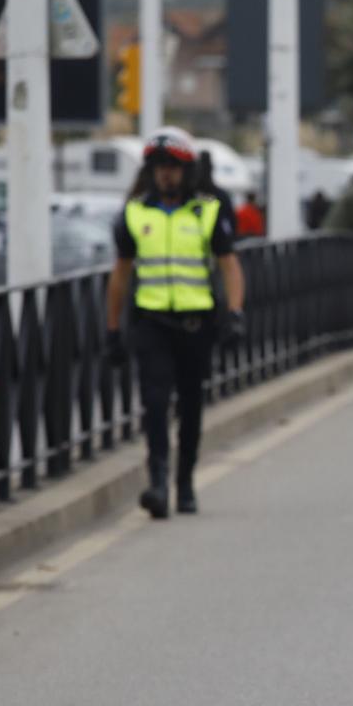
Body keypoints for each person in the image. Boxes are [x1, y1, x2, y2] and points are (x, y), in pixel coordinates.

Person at [105, 129, 245, 520]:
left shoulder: (207, 212)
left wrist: (234, 314)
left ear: (186, 171)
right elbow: (119, 277)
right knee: (153, 403)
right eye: (159, 167)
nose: (166, 174)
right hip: (151, 323)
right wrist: (112, 330)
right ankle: (158, 483)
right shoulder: (134, 214)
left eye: (173, 167)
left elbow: (230, 267)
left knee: (191, 404)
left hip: (195, 324)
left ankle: (184, 482)